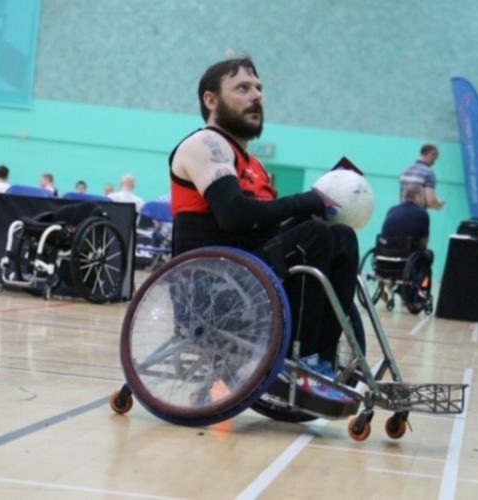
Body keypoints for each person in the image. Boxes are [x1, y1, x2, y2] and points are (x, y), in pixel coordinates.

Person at [169, 57, 359, 402]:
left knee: (341, 237)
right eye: (243, 88)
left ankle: (320, 362)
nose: (256, 96)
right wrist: (305, 202)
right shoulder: (204, 144)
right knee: (313, 235)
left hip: (250, 275)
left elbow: (264, 227)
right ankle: (297, 363)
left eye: (259, 89)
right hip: (211, 288)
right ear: (211, 100)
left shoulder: (253, 165)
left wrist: (314, 210)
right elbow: (234, 216)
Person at [381, 183, 430, 249]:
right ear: (418, 196)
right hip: (407, 255)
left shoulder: (391, 210)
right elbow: (423, 245)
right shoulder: (423, 214)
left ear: (404, 196)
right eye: (423, 198)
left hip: (385, 253)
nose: (424, 202)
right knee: (429, 254)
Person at [399, 144, 445, 209]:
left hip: (402, 212)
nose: (434, 162)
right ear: (430, 154)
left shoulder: (405, 170)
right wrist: (438, 204)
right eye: (434, 158)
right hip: (417, 214)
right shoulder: (429, 173)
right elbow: (430, 200)